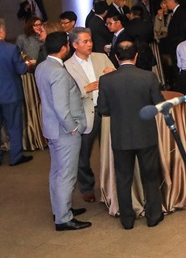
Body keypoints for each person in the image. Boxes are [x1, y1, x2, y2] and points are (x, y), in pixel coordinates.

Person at [96, 41, 165, 229]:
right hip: (145, 134)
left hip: (121, 136)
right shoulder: (148, 77)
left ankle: (127, 220)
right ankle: (153, 216)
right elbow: (159, 105)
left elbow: (103, 110)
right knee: (150, 176)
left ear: (116, 57)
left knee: (123, 178)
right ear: (136, 56)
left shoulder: (106, 80)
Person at [36, 32, 91, 231]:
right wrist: (73, 127)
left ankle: (60, 209)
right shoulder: (58, 71)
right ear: (63, 48)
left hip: (51, 128)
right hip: (64, 131)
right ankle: (63, 218)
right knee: (66, 175)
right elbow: (61, 107)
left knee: (57, 172)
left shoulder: (42, 66)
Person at [64, 28, 115, 203]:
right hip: (85, 113)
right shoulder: (67, 66)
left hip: (106, 110)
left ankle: (111, 185)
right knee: (83, 154)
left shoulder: (101, 57)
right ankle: (86, 187)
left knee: (111, 149)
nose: (90, 44)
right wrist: (85, 89)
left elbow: (117, 78)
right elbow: (65, 95)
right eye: (85, 41)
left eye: (90, 40)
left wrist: (113, 74)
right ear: (75, 44)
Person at [0, 18, 33, 166]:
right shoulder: (11, 49)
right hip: (11, 94)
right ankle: (15, 157)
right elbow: (21, 69)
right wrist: (26, 64)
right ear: (2, 31)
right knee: (13, 126)